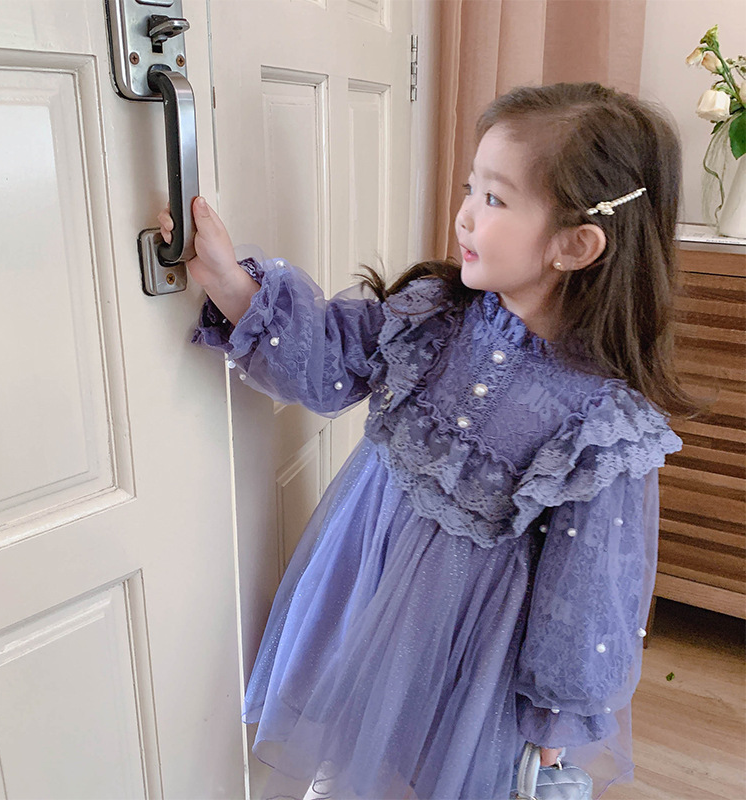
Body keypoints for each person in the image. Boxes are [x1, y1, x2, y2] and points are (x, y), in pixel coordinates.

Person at [159, 82, 698, 800]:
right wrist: (230, 282)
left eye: (494, 198)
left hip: (468, 655)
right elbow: (329, 359)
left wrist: (554, 720)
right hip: (363, 587)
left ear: (576, 244)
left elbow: (590, 586)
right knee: (353, 752)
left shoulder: (599, 425)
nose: (465, 213)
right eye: (471, 188)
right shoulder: (435, 318)